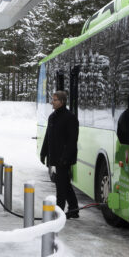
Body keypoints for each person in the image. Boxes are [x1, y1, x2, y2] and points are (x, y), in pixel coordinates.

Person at [40, 90, 80, 218]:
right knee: (64, 183)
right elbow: (48, 136)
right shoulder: (52, 117)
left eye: (55, 99)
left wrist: (65, 158)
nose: (52, 101)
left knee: (61, 186)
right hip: (55, 157)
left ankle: (59, 212)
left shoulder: (70, 118)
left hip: (64, 158)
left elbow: (72, 141)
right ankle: (73, 209)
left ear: (62, 102)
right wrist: (43, 152)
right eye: (52, 99)